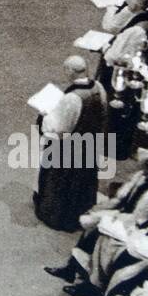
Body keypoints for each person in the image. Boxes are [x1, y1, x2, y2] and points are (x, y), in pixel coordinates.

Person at [33, 55, 109, 231]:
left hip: (69, 149)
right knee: (83, 181)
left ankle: (57, 216)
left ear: (70, 71)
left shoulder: (73, 97)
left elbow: (60, 128)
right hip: (90, 145)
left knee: (60, 182)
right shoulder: (99, 87)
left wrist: (45, 114)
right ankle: (80, 211)